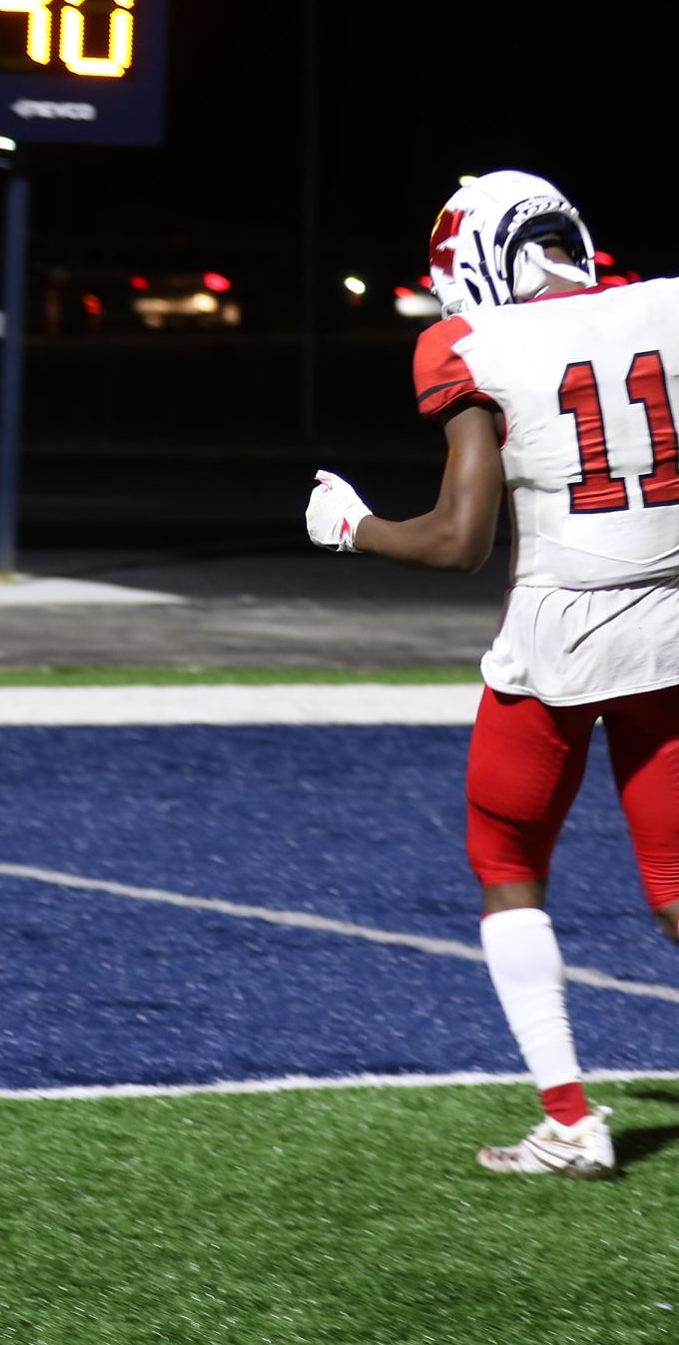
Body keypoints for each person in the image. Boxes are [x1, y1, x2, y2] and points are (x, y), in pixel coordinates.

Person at [306, 170, 679, 1177]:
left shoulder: (469, 344)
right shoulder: (665, 306)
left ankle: (568, 1119)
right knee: (672, 881)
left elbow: (456, 541)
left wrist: (353, 528)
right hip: (673, 615)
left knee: (503, 855)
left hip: (560, 626)